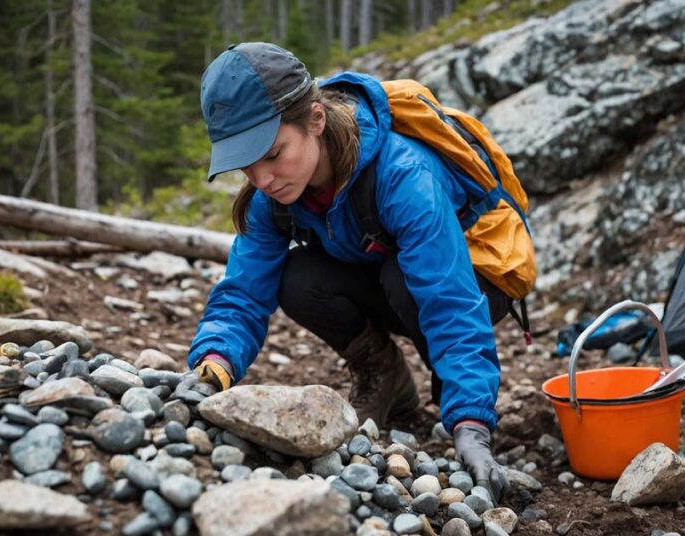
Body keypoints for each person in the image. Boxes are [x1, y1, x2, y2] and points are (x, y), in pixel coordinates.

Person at [187, 42, 531, 500]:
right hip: (382, 270)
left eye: (272, 154)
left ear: (315, 119)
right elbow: (244, 290)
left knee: (406, 282)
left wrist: (471, 423)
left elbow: (448, 299)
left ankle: (453, 393)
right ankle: (385, 376)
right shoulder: (272, 198)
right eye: (245, 166)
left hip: (475, 281)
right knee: (298, 278)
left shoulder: (404, 175)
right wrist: (215, 361)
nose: (263, 179)